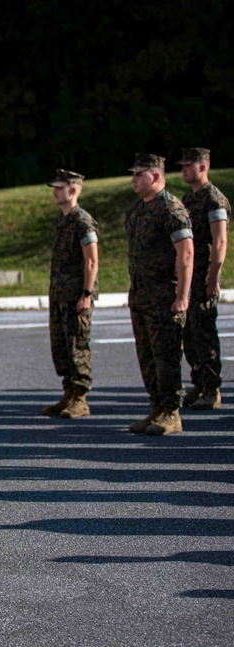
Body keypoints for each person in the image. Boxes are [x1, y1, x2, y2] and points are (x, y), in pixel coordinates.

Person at [125, 153, 194, 436]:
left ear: (156, 176)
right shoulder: (136, 210)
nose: (134, 180)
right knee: (148, 356)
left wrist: (182, 296)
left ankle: (171, 413)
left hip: (165, 297)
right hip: (141, 297)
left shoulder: (172, 209)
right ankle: (157, 408)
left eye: (139, 174)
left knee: (166, 356)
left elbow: (186, 254)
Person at [41, 169, 99, 419]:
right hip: (60, 295)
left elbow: (91, 261)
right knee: (62, 346)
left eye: (59, 187)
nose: (55, 191)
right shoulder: (61, 221)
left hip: (77, 296)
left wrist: (86, 293)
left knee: (77, 344)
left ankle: (80, 398)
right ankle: (69, 393)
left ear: (73, 190)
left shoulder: (82, 221)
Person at [178, 148, 229, 410]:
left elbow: (220, 242)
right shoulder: (189, 198)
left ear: (204, 166)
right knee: (190, 333)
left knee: (205, 333)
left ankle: (212, 388)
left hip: (203, 277)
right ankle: (198, 383)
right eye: (183, 165)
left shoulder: (214, 199)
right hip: (189, 279)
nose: (184, 169)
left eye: (190, 165)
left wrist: (213, 278)